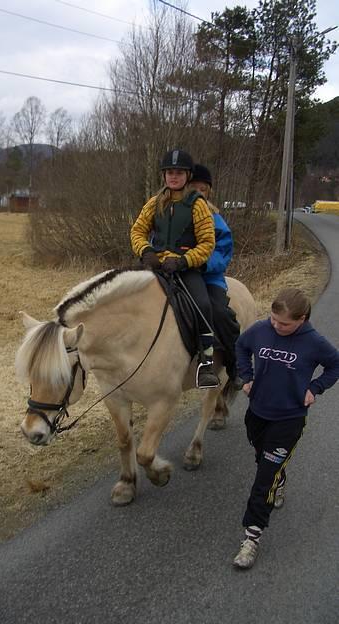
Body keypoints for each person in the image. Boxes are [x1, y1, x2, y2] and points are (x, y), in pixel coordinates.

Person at [233, 288, 339, 569]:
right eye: (274, 320)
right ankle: (279, 479)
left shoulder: (314, 342)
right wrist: (246, 376)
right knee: (262, 460)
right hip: (257, 413)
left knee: (263, 477)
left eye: (285, 324)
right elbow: (241, 347)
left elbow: (335, 365)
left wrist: (315, 388)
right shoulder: (260, 330)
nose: (277, 326)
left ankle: (251, 537)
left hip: (289, 419)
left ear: (302, 319)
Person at [130, 148, 218, 389]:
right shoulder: (155, 202)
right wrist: (146, 252)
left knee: (203, 305)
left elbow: (208, 243)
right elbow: (137, 231)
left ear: (188, 175)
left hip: (185, 268)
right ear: (164, 175)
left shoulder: (197, 205)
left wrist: (183, 261)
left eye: (179, 172)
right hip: (155, 265)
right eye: (170, 172)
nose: (174, 176)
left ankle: (206, 363)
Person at [188, 164, 242, 388]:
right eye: (194, 188)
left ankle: (235, 366)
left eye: (204, 190)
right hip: (175, 274)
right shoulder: (173, 212)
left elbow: (223, 252)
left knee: (220, 313)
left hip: (207, 277)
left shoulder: (215, 219)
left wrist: (202, 264)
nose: (199, 193)